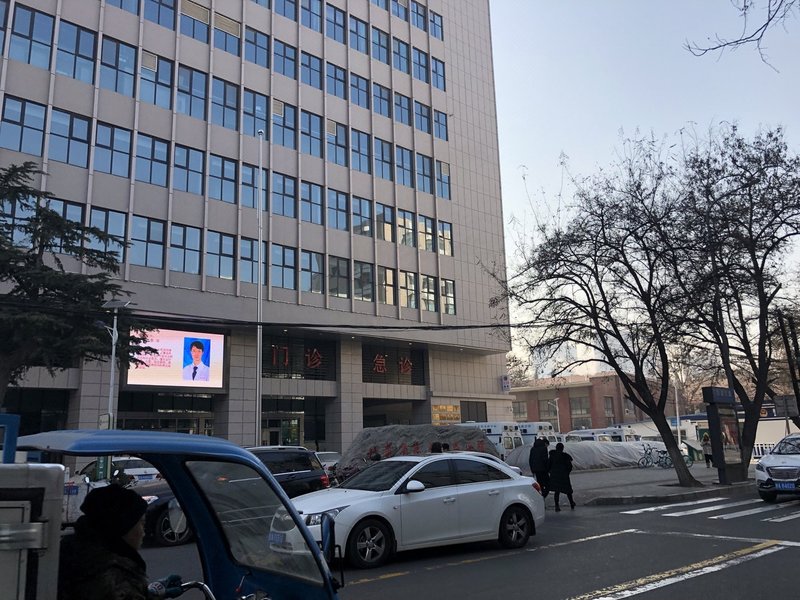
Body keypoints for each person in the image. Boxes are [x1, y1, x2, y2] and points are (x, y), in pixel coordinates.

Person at [59, 484, 185, 600]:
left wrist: (153, 593)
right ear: (123, 527)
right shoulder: (113, 575)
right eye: (141, 523)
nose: (144, 531)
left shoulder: (74, 551)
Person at [548, 442, 576, 512]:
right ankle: (571, 503)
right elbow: (569, 466)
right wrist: (566, 473)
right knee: (568, 490)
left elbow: (548, 465)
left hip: (555, 476)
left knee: (557, 491)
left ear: (556, 448)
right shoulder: (565, 456)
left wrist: (551, 472)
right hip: (563, 476)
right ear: (562, 448)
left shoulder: (552, 455)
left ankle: (557, 506)